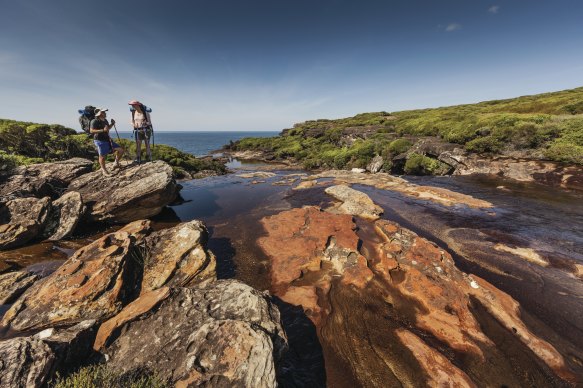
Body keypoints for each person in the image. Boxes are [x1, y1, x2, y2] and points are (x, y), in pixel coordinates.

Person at [90, 108, 124, 176]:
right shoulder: (94, 121)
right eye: (103, 112)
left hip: (107, 139)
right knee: (102, 156)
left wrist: (112, 124)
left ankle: (115, 164)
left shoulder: (105, 120)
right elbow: (91, 131)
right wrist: (102, 130)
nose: (105, 113)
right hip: (99, 140)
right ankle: (104, 170)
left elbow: (107, 128)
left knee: (121, 150)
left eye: (104, 112)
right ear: (99, 114)